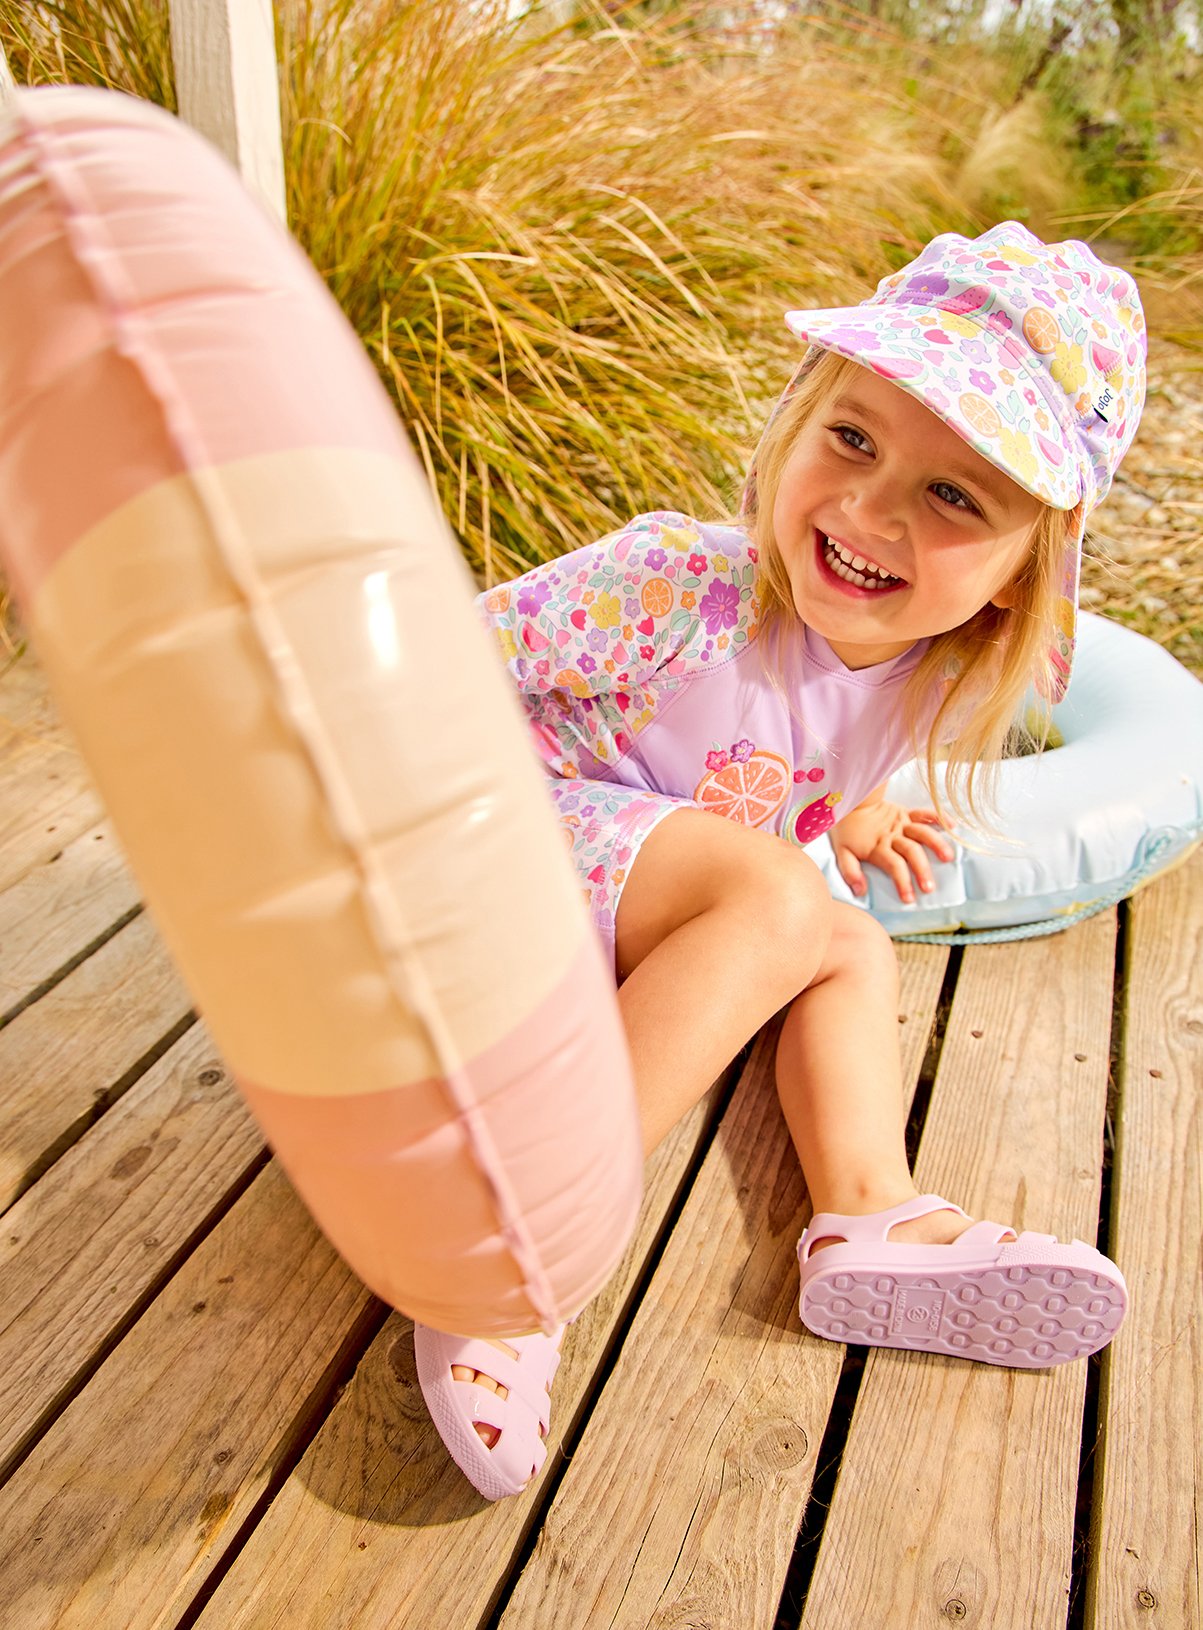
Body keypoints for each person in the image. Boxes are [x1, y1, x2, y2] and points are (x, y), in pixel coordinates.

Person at [412, 222, 1147, 1502]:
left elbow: (768, 780)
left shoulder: (913, 673)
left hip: (630, 904)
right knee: (776, 895)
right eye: (853, 439)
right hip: (490, 856)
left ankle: (871, 1207)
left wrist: (842, 825)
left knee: (844, 929)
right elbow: (455, 663)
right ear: (800, 422)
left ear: (1022, 565)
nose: (867, 510)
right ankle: (522, 1242)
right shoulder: (682, 584)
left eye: (953, 493)